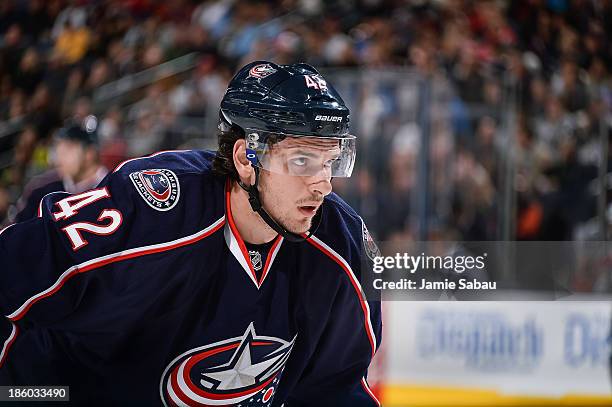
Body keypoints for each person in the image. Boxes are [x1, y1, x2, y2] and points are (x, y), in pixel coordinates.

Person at [0, 61, 382, 406]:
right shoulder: (152, 210)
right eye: (302, 160)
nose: (323, 185)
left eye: (331, 161)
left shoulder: (342, 249)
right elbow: (12, 275)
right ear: (245, 160)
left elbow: (335, 389)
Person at [12, 115, 109, 223]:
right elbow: (17, 229)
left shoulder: (117, 184)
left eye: (67, 150)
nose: (58, 159)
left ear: (89, 153)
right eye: (58, 151)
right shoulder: (42, 189)